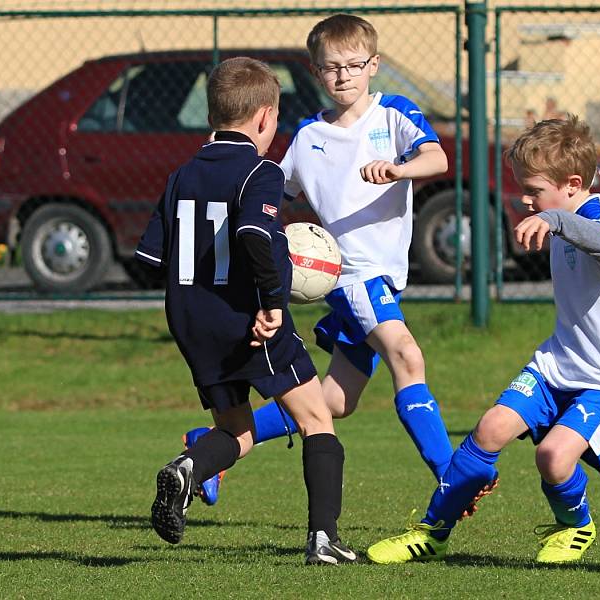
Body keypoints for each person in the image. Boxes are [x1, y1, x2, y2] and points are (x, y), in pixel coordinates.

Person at [367, 115, 600, 565]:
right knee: (489, 429)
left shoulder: (594, 218)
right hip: (558, 363)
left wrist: (556, 219)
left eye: (534, 190)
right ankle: (431, 532)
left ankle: (576, 526)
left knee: (554, 458)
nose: (525, 199)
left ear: (573, 184)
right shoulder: (566, 216)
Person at [197, 13, 488, 508]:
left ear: (373, 65)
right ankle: (450, 475)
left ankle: (206, 444)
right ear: (315, 72)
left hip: (384, 279)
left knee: (334, 401)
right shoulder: (309, 137)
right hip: (353, 276)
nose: (344, 76)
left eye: (355, 65)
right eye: (332, 67)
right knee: (407, 356)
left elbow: (437, 159)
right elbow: (268, 187)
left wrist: (398, 169)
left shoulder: (393, 114)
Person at [136, 56, 356, 565]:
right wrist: (273, 304)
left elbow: (149, 256)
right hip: (251, 319)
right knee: (317, 420)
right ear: (263, 117)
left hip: (191, 322)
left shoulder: (181, 175)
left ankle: (188, 469)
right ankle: (324, 539)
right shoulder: (260, 172)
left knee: (237, 429)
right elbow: (256, 235)